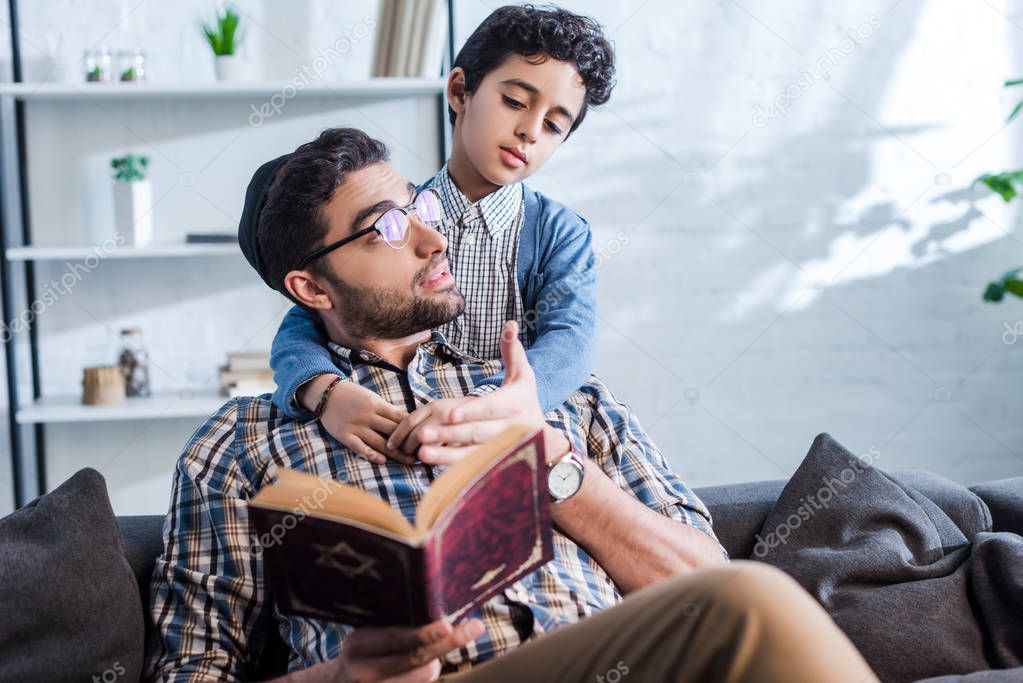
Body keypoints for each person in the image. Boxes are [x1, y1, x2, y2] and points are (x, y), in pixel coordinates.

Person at [145, 128, 878, 682]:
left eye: (419, 208)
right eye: (388, 228)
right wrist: (345, 674)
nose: (434, 238)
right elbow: (189, 669)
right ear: (311, 289)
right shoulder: (241, 447)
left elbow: (703, 586)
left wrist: (551, 458)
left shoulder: (553, 395)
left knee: (746, 600)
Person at [267, 5, 614, 466]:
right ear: (459, 91)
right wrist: (323, 389)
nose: (530, 131)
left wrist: (492, 405)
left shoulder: (559, 235)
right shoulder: (397, 216)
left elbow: (570, 342)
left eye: (553, 125)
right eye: (515, 101)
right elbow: (304, 319)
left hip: (501, 439)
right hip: (400, 433)